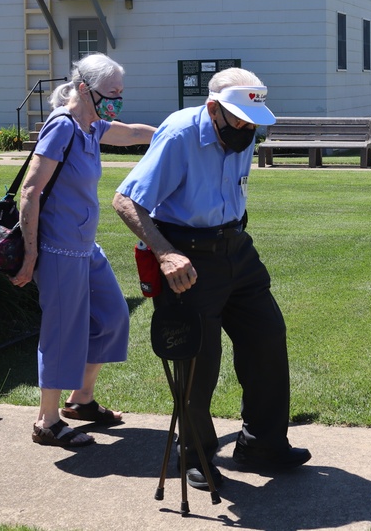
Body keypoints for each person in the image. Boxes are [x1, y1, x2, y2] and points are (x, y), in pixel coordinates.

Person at [112, 67, 310, 490]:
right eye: (238, 119)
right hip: (186, 257)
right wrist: (166, 253)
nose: (246, 129)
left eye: (252, 121)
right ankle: (195, 455)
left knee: (267, 336)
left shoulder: (246, 128)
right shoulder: (180, 134)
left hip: (237, 249)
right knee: (198, 362)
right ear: (212, 108)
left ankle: (262, 443)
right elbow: (126, 199)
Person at [11, 53, 156, 449]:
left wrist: (173, 132)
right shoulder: (62, 127)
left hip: (84, 247)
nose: (116, 101)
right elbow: (30, 190)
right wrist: (29, 255)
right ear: (82, 88)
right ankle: (47, 421)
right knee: (63, 332)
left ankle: (82, 401)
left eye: (120, 94)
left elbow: (131, 133)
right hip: (57, 250)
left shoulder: (92, 127)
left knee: (112, 317)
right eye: (110, 94)